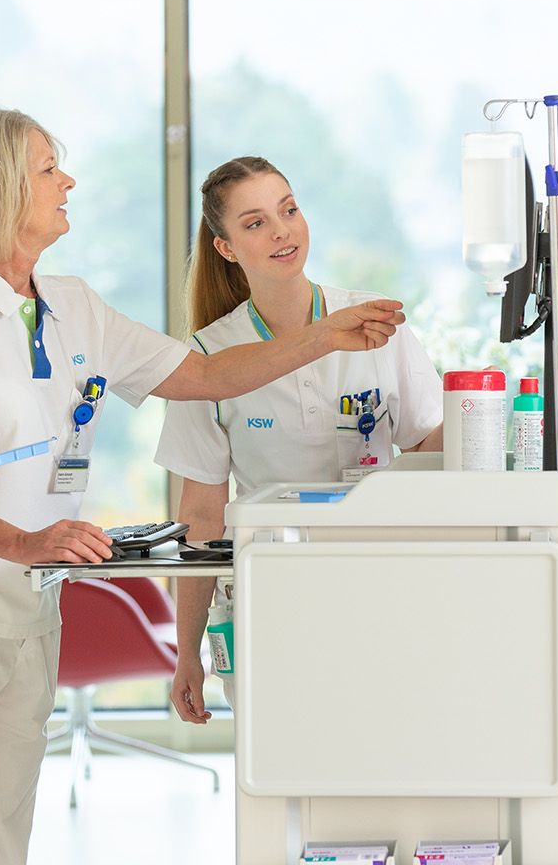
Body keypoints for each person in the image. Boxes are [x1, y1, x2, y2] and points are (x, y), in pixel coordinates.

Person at [0, 110, 404, 865]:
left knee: (1, 838)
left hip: (31, 612)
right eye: (48, 169)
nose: (68, 181)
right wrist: (25, 544)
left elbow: (204, 375)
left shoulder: (72, 304)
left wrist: (325, 335)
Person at [154, 155, 444, 724]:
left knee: (380, 748)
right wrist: (188, 652)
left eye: (288, 210)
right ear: (226, 248)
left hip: (377, 582)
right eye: (256, 222)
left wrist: (478, 420)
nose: (282, 231)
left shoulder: (373, 322)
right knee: (282, 757)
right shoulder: (209, 358)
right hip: (268, 592)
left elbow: (427, 449)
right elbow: (202, 514)